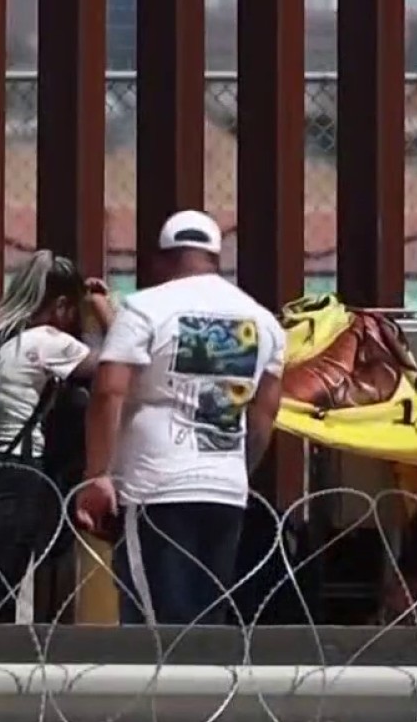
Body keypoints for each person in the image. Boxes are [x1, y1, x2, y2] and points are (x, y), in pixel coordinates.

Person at [75, 210, 287, 627]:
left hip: (156, 487)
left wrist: (97, 473)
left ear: (162, 259)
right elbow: (265, 412)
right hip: (225, 489)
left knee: (155, 623)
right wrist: (239, 468)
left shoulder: (144, 308)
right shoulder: (262, 321)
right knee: (206, 622)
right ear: (214, 258)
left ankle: (168, 694)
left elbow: (108, 390)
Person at [0, 251, 113, 622]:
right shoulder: (46, 341)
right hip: (19, 476)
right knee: (14, 589)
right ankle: (7, 669)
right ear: (62, 305)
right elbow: (118, 365)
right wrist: (103, 309)